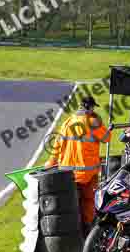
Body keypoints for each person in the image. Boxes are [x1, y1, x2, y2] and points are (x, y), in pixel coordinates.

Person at [45, 96, 110, 233]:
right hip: (87, 173)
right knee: (88, 201)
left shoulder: (67, 122)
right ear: (91, 108)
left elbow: (57, 145)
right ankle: (87, 231)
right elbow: (106, 138)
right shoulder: (93, 121)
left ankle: (73, 231)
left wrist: (50, 163)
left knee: (71, 203)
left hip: (67, 173)